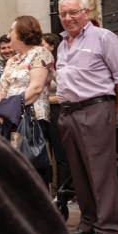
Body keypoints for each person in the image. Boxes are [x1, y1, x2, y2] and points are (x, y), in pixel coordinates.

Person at [55, 0, 118, 234]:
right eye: (63, 14)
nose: (68, 18)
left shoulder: (104, 37)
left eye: (73, 12)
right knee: (78, 171)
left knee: (100, 172)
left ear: (86, 12)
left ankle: (108, 229)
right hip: (69, 112)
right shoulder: (62, 44)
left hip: (96, 109)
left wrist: (114, 108)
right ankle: (88, 221)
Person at [0, 16, 54, 186]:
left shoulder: (41, 53)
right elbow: (1, 87)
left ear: (22, 32)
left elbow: (35, 88)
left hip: (30, 118)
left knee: (31, 164)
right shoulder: (13, 59)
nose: (8, 34)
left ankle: (38, 206)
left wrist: (8, 108)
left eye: (11, 30)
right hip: (11, 119)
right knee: (14, 164)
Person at [42, 32, 71, 192]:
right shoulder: (42, 63)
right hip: (45, 111)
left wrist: (45, 100)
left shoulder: (60, 65)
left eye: (43, 44)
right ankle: (52, 188)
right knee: (47, 152)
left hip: (57, 110)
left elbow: (66, 93)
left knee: (60, 153)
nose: (40, 47)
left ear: (52, 46)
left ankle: (63, 189)